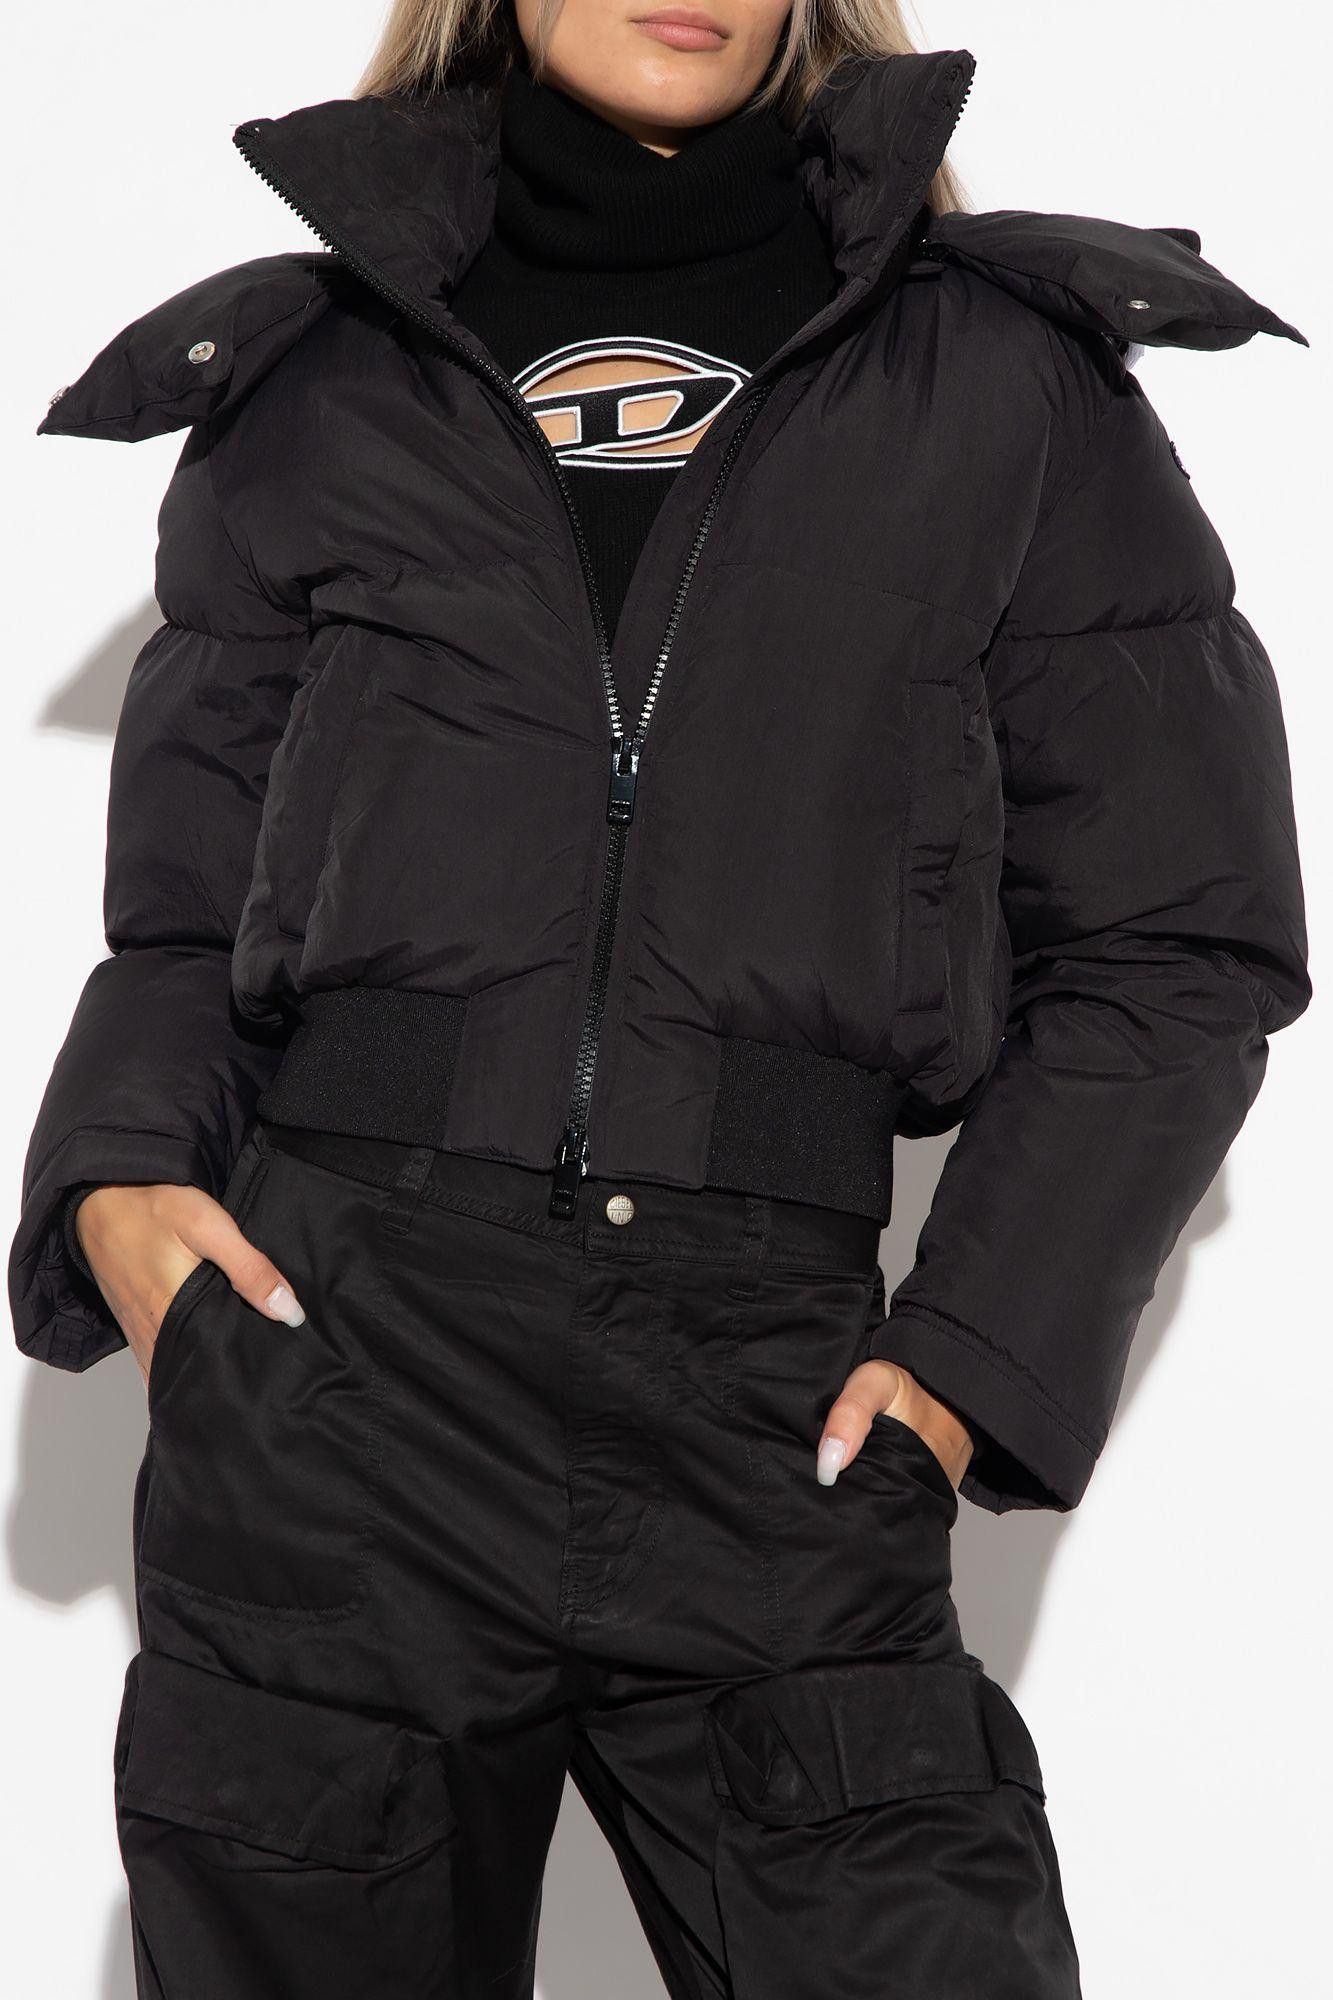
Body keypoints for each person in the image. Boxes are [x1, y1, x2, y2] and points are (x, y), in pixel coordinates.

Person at [9, 0, 1310, 1994]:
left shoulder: (1004, 374)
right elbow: (186, 916)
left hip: (770, 1405)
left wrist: (976, 1356)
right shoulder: (310, 375)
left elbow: (1176, 934)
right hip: (341, 1385)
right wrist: (118, 1184)